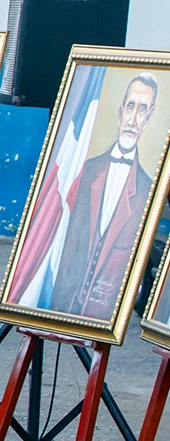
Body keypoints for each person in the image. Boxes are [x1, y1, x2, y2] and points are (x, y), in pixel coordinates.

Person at [42, 74, 159, 320]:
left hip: (103, 310)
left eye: (142, 110)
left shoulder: (150, 189)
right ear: (120, 111)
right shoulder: (84, 173)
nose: (133, 119)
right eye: (130, 106)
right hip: (62, 301)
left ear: (149, 118)